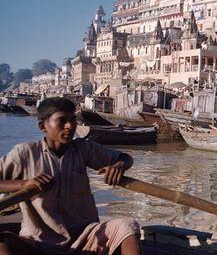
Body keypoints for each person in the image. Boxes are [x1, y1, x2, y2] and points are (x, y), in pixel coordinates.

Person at [0, 97, 141, 255]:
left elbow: (124, 158)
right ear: (42, 126)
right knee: (3, 240)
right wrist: (23, 184)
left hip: (83, 237)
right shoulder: (24, 153)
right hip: (39, 241)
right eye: (61, 120)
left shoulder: (83, 149)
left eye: (73, 119)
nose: (70, 126)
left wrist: (119, 165)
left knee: (127, 226)